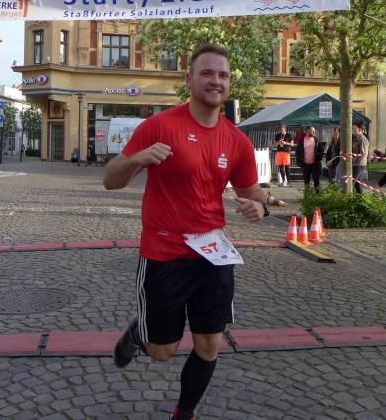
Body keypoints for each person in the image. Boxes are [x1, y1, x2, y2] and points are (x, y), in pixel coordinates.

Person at [103, 44, 266, 420]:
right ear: (189, 79)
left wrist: (259, 206)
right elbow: (111, 180)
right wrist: (137, 159)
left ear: (229, 83)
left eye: (223, 75)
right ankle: (140, 334)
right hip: (164, 253)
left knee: (210, 344)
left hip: (213, 253)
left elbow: (251, 191)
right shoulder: (159, 126)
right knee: (163, 351)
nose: (215, 81)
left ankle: (184, 412)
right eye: (207, 73)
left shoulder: (237, 141)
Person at [295, 125, 325, 190]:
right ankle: (307, 195)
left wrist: (318, 158)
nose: (314, 132)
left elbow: (321, 151)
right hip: (305, 165)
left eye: (314, 131)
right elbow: (297, 152)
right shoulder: (301, 141)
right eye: (312, 131)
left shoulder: (316, 140)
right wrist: (299, 162)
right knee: (306, 182)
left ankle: (317, 194)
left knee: (316, 181)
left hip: (315, 164)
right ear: (307, 131)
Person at [351, 122, 370, 194]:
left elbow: (363, 154)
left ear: (359, 129)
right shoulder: (356, 139)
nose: (352, 130)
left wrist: (354, 159)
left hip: (360, 164)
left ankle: (353, 197)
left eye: (354, 128)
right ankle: (359, 198)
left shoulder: (363, 139)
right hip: (355, 163)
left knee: (351, 183)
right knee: (357, 183)